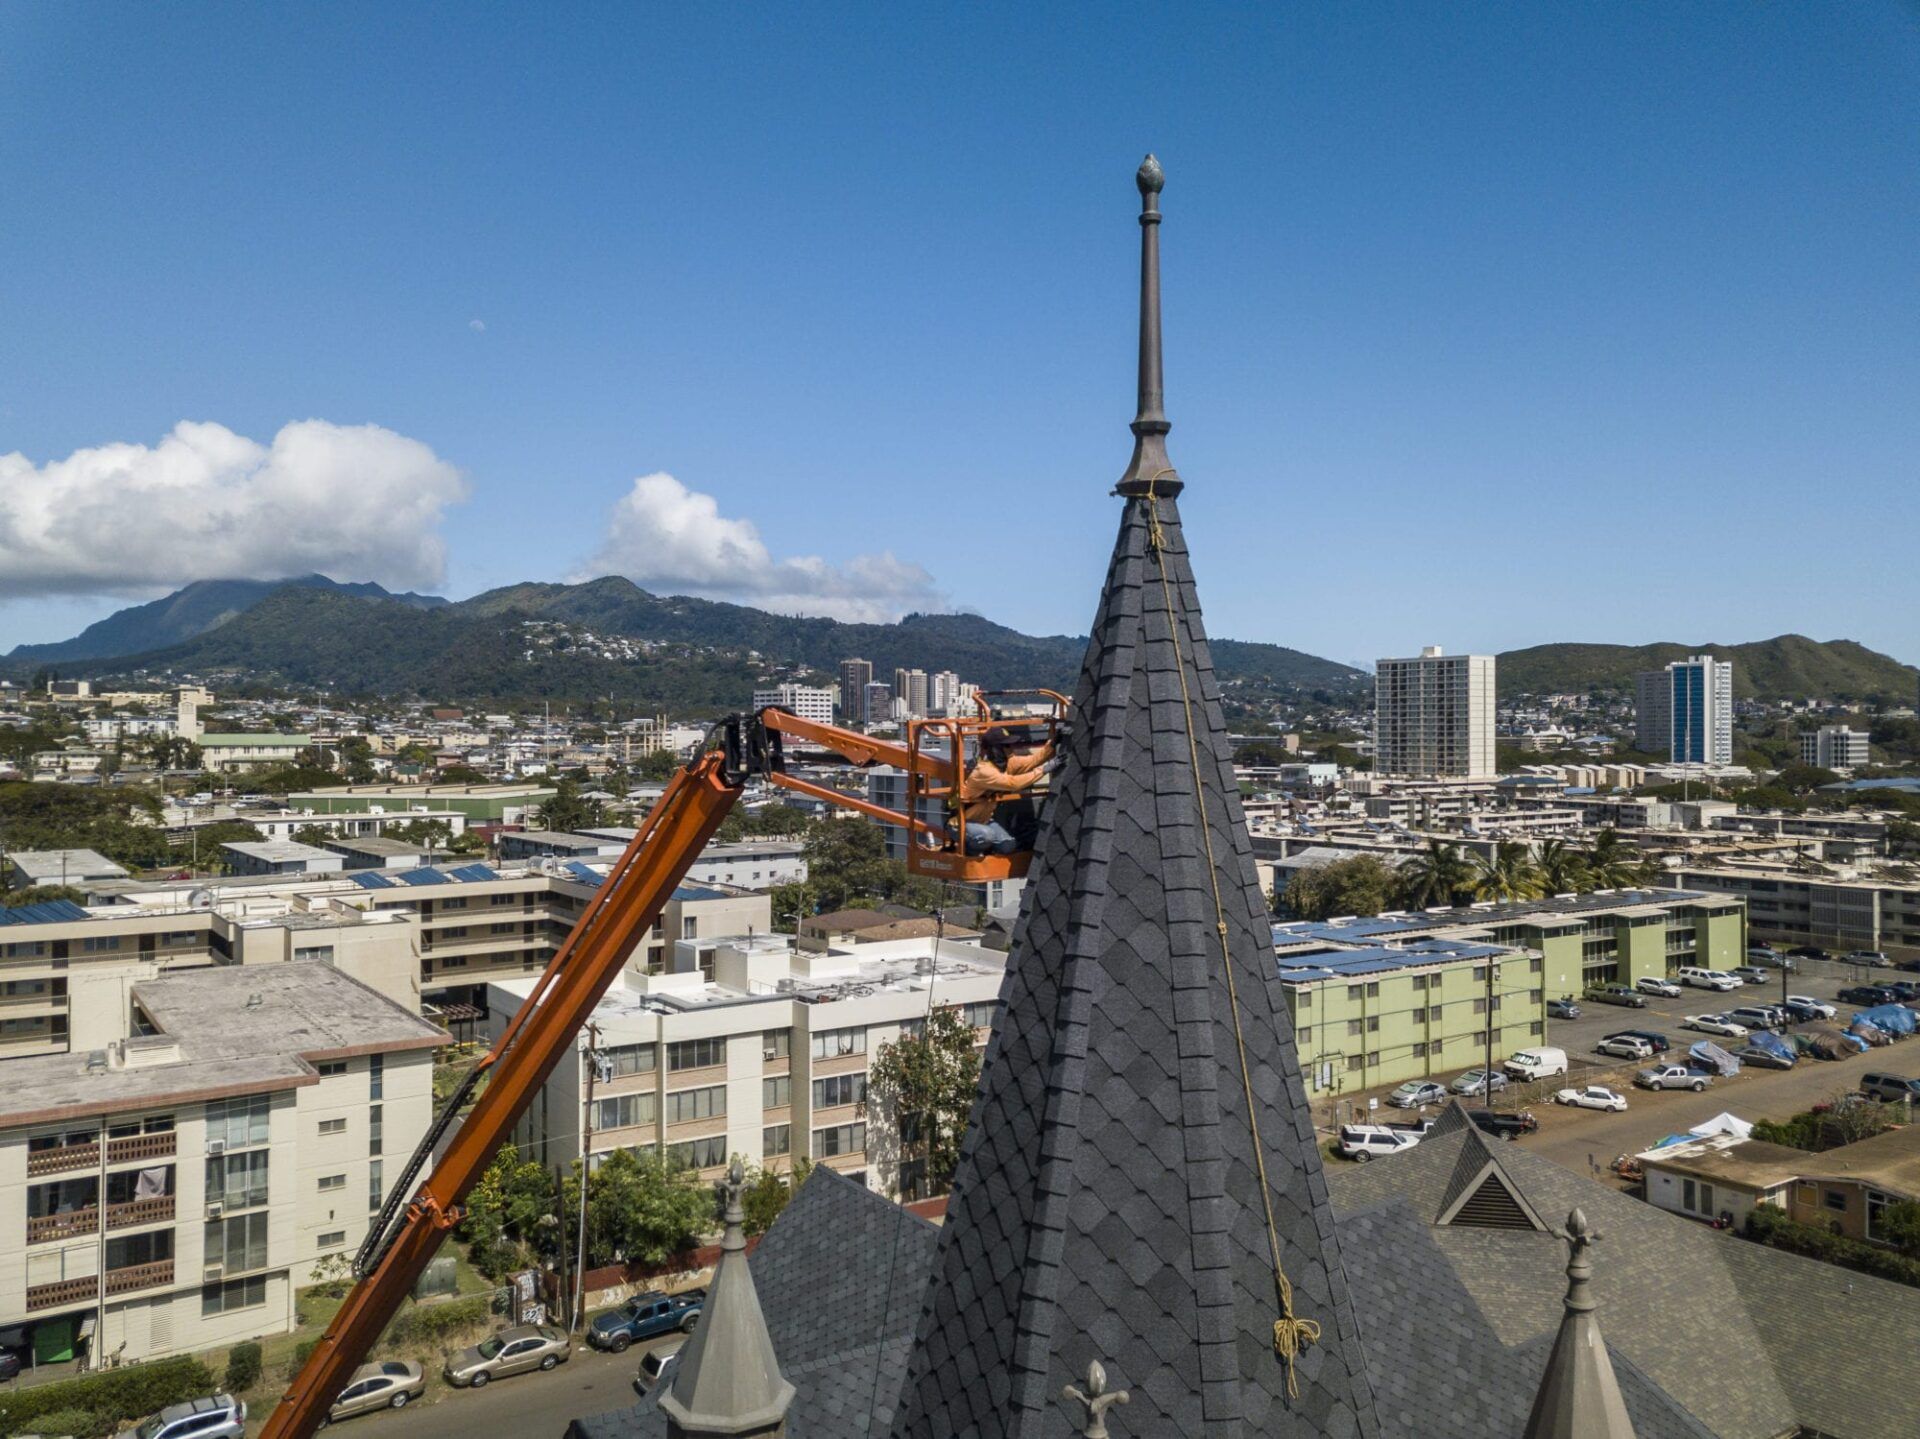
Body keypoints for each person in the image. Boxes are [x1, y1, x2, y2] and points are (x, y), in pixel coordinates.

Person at [951, 728, 1056, 855]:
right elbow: (1013, 783)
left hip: (983, 821)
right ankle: (969, 853)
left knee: (1008, 845)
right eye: (1007, 745)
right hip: (961, 824)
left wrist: (1052, 743)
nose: (1011, 748)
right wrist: (1044, 770)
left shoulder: (1006, 764)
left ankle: (983, 848)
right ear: (995, 749)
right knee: (986, 836)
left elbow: (1032, 761)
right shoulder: (984, 771)